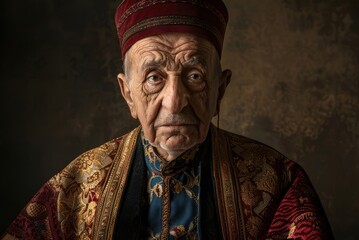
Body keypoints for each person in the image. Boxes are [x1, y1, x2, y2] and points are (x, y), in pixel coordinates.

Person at [2, 0, 334, 239]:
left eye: (194, 76)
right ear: (128, 93)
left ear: (220, 89)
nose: (174, 102)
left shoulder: (279, 186)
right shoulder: (71, 192)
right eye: (153, 78)